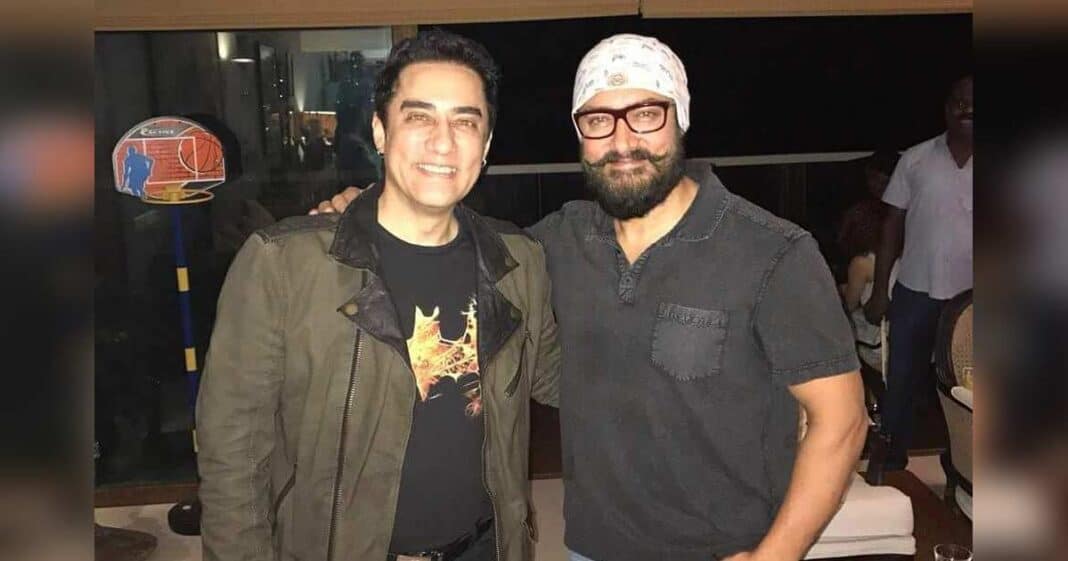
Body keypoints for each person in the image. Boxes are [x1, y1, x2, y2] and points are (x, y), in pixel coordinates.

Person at [318, 33, 867, 561]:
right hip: (591, 547)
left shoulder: (773, 253)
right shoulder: (556, 243)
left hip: (729, 548)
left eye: (646, 114)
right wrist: (369, 208)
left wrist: (776, 554)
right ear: (580, 133)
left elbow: (841, 421)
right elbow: (455, 241)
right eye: (599, 120)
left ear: (680, 120)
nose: (622, 142)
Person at [197, 30, 561, 561]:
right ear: (380, 131)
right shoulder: (284, 266)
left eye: (465, 121)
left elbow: (560, 377)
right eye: (419, 117)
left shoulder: (519, 263)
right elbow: (233, 452)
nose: (443, 143)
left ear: (485, 147)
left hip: (483, 548)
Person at [864, 74, 973, 470]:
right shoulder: (915, 159)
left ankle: (966, 465)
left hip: (976, 299)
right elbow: (891, 227)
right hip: (916, 290)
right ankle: (891, 460)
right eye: (960, 102)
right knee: (902, 380)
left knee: (973, 387)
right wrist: (880, 290)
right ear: (947, 108)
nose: (968, 109)